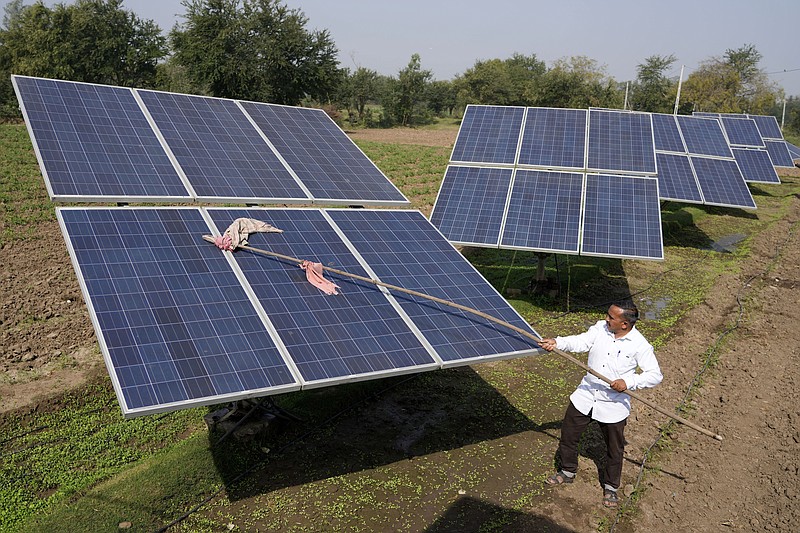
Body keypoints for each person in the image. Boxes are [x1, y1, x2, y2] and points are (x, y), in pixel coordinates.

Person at [537, 301, 662, 509]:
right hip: (585, 396)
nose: (606, 319)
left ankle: (611, 486)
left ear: (624, 324)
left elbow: (654, 375)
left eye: (611, 318)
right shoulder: (600, 329)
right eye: (607, 315)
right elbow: (582, 341)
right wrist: (557, 343)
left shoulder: (640, 345)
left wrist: (628, 382)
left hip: (613, 405)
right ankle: (567, 471)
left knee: (614, 449)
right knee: (568, 436)